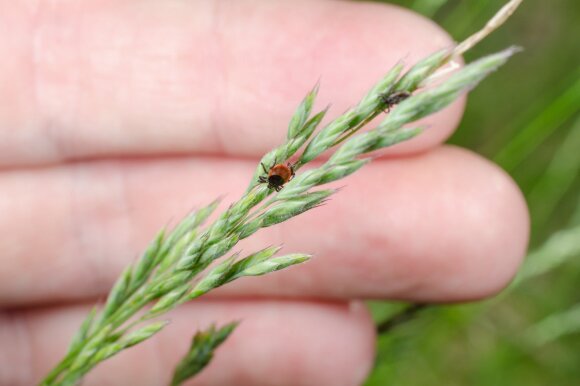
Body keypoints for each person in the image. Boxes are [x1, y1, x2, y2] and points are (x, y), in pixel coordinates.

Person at [0, 1, 529, 385]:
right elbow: (274, 179)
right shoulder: (277, 174)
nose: (277, 177)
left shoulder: (278, 173)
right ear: (277, 176)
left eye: (275, 178)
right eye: (276, 178)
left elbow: (275, 178)